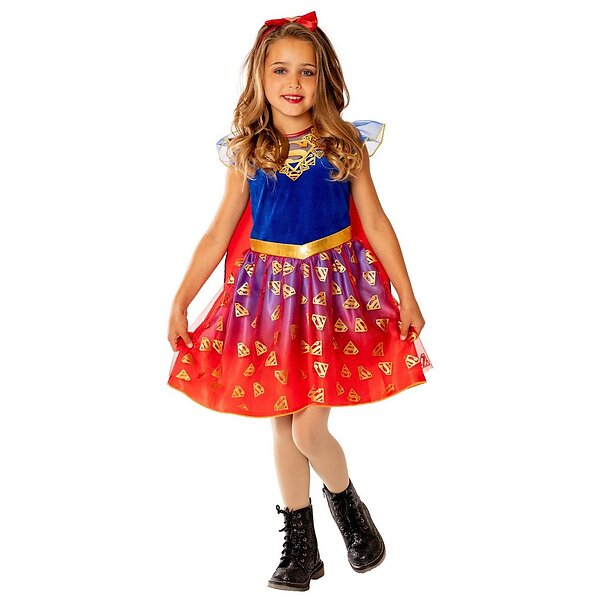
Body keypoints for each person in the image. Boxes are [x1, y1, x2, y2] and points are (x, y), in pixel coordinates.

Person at [166, 10, 432, 592]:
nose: (293, 83)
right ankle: (301, 546)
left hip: (332, 295)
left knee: (310, 430)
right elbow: (218, 233)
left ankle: (348, 507)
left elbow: (376, 222)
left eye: (306, 71)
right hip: (268, 300)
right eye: (280, 70)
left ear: (323, 78)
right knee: (282, 424)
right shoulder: (248, 152)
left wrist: (407, 295)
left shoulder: (344, 145)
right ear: (260, 78)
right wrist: (182, 299)